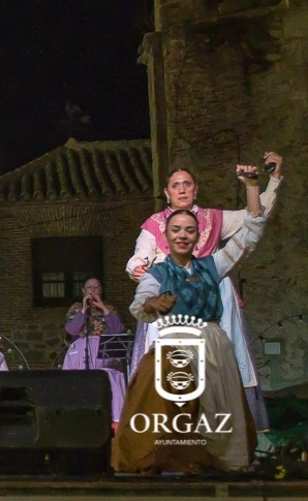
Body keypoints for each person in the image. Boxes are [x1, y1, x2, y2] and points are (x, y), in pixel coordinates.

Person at [114, 166, 268, 473]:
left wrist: (253, 187)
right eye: (175, 230)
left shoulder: (213, 265)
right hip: (174, 344)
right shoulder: (159, 272)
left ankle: (216, 463)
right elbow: (140, 302)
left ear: (197, 235)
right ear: (166, 236)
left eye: (188, 230)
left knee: (217, 409)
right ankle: (174, 459)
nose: (182, 235)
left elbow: (250, 233)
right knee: (170, 402)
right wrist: (153, 303)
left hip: (212, 347)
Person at [62, 278, 128, 422]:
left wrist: (104, 308)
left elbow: (118, 331)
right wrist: (83, 310)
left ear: (101, 290)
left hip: (104, 353)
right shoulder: (76, 308)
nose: (93, 290)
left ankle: (113, 417)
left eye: (96, 287)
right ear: (83, 291)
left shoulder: (110, 308)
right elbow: (72, 330)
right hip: (81, 353)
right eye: (89, 287)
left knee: (108, 382)